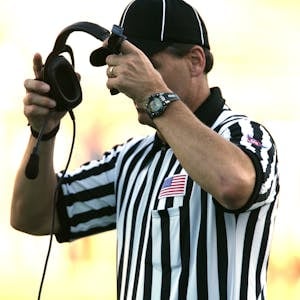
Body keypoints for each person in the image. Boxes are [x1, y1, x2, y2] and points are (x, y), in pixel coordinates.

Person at [11, 0, 280, 299]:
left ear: (196, 61)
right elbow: (31, 216)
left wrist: (154, 94)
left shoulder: (244, 134)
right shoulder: (130, 160)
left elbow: (233, 184)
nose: (127, 82)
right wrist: (43, 132)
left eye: (145, 66)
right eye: (123, 66)